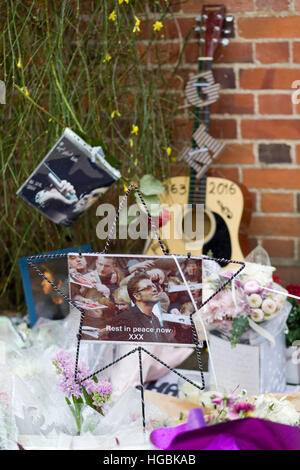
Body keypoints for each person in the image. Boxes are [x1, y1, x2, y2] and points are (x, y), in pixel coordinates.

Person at [114, 273, 175, 343]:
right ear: (137, 296)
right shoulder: (126, 318)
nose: (154, 290)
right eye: (148, 288)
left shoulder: (155, 318)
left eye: (154, 286)